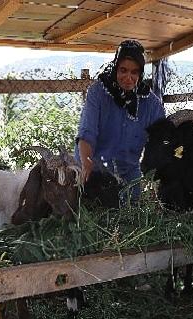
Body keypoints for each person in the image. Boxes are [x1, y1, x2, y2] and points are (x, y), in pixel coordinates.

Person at [75, 40, 165, 203]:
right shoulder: (98, 93)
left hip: (128, 173)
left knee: (131, 216)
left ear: (140, 74)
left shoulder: (151, 104)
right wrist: (86, 163)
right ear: (116, 68)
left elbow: (161, 140)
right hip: (94, 170)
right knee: (93, 209)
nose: (128, 78)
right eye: (123, 70)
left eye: (134, 72)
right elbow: (86, 134)